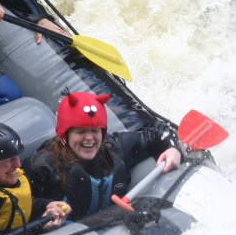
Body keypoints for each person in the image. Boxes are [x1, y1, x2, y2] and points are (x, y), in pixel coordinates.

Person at [25, 91, 182, 219]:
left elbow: (159, 133)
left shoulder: (114, 149)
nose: (89, 138)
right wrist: (44, 209)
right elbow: (19, 206)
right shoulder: (41, 166)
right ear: (65, 135)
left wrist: (173, 149)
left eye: (95, 130)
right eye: (81, 131)